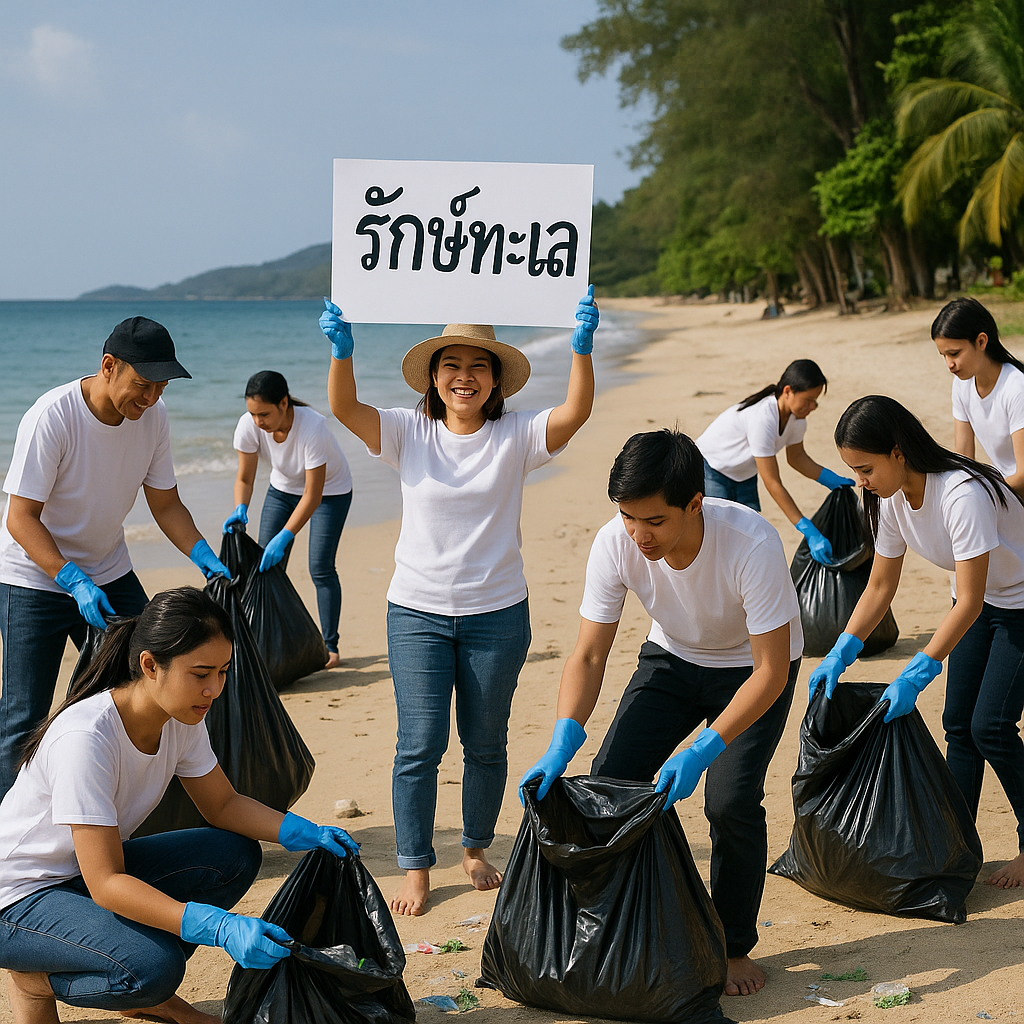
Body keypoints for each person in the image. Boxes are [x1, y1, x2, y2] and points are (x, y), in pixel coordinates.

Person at [319, 288, 599, 916]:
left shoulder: (517, 436)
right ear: (435, 378)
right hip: (416, 611)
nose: (464, 377)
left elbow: (576, 412)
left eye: (478, 366)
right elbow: (343, 407)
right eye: (452, 366)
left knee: (486, 743)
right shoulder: (406, 431)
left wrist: (582, 349)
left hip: (497, 615)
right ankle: (416, 866)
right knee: (419, 743)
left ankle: (474, 848)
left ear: (497, 380)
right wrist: (343, 351)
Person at [520, 428, 803, 997]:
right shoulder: (615, 541)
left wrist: (702, 750)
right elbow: (590, 652)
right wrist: (561, 741)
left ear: (694, 503)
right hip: (672, 659)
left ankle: (731, 945)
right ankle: (620, 925)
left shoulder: (750, 541)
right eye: (628, 517)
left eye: (653, 521)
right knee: (606, 786)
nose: (637, 534)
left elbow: (771, 672)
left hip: (753, 672)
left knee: (730, 801)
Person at [0, 586, 359, 1024]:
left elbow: (223, 805)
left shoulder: (180, 717)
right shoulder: (86, 739)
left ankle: (133, 969)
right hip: (18, 898)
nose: (214, 689)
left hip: (78, 877)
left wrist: (304, 832)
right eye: (201, 673)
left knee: (234, 854)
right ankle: (35, 980)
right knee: (153, 968)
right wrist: (217, 927)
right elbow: (107, 883)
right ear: (150, 665)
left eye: (223, 672)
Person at [0, 317, 231, 800]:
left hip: (109, 569)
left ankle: (119, 805)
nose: (150, 400)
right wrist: (72, 579)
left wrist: (203, 554)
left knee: (144, 682)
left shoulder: (155, 418)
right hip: (35, 578)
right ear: (109, 367)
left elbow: (165, 503)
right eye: (142, 386)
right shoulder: (53, 416)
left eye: (160, 389)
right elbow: (20, 517)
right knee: (24, 715)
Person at [811, 395, 1024, 889]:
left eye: (865, 468)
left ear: (899, 451)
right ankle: (956, 849)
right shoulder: (890, 501)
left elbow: (969, 601)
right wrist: (843, 650)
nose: (859, 482)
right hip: (983, 602)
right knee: (958, 727)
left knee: (990, 725)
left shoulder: (961, 493)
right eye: (853, 471)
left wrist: (920, 669)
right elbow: (881, 585)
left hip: (1017, 603)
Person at [224, 370, 354, 668]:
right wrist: (240, 508)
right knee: (265, 569)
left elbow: (313, 495)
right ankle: (270, 642)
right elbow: (244, 478)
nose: (258, 422)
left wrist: (285, 535)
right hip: (282, 489)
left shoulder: (312, 427)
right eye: (253, 414)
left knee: (320, 567)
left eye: (264, 414)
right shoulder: (249, 425)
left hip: (330, 492)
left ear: (284, 403)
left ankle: (329, 646)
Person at [695, 359, 853, 565]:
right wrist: (807, 528)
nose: (813, 406)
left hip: (743, 473)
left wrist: (830, 479)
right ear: (788, 391)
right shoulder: (763, 417)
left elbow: (797, 458)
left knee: (744, 533)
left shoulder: (797, 419)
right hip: (710, 467)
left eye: (816, 401)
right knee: (717, 535)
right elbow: (772, 482)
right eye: (809, 399)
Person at [932, 296, 1024, 497]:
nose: (949, 364)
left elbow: (1023, 475)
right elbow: (964, 458)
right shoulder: (961, 385)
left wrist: (980, 497)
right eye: (944, 356)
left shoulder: (1016, 387)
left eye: (954, 353)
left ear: (981, 341)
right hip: (1005, 491)